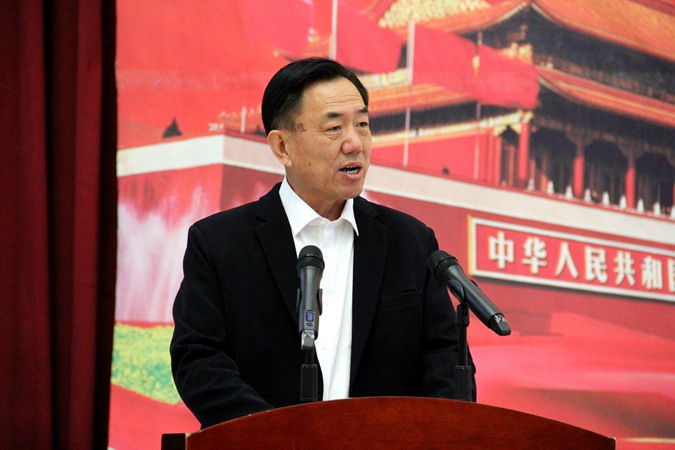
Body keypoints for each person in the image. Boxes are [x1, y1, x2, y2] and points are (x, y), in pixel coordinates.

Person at [170, 57, 476, 429]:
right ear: (282, 146)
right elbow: (199, 359)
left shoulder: (411, 242)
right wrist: (278, 437)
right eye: (334, 128)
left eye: (362, 125)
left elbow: (444, 357)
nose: (354, 143)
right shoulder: (220, 243)